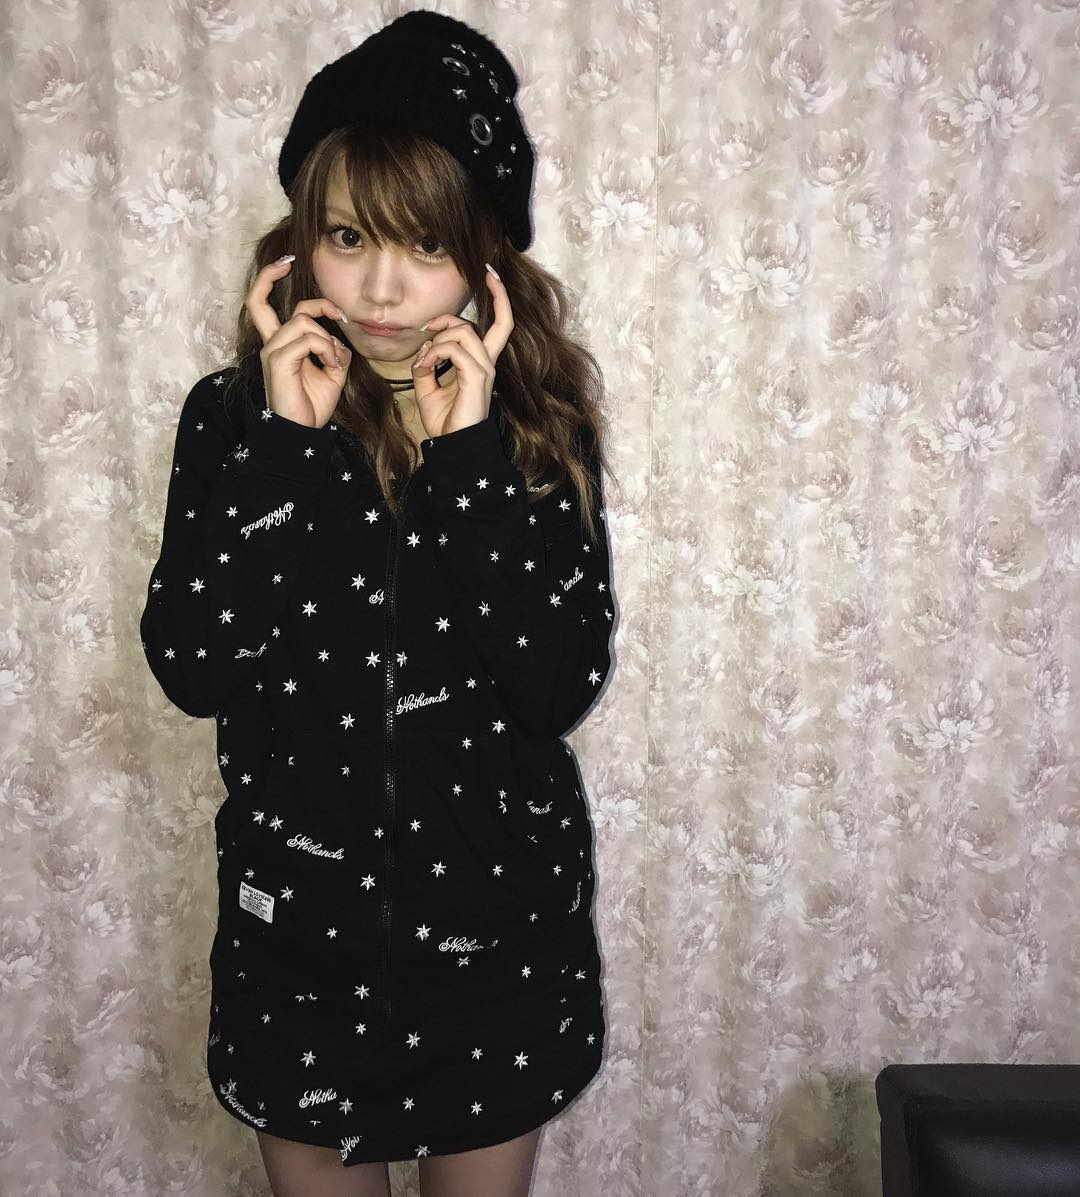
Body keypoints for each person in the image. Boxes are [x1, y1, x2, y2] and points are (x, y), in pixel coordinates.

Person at [139, 10, 618, 1196]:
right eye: (350, 236)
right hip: (297, 946)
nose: (385, 285)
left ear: (485, 257)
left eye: (425, 242)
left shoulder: (536, 427)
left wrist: (468, 463)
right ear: (300, 241)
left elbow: (557, 686)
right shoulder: (234, 421)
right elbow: (193, 666)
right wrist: (284, 451)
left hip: (495, 951)